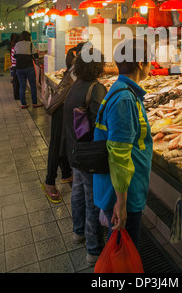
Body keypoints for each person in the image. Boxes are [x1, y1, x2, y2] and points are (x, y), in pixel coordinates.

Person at [93, 37, 153, 251]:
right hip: (122, 191)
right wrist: (122, 202)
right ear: (140, 63)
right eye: (150, 60)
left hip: (123, 188)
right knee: (123, 250)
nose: (151, 65)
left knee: (121, 246)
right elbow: (119, 154)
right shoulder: (125, 99)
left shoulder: (121, 90)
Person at [62, 46, 107, 266]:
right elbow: (101, 122)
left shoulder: (75, 85)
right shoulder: (95, 88)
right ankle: (93, 250)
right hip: (88, 155)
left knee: (78, 193)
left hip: (75, 151)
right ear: (97, 66)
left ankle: (77, 232)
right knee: (92, 201)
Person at [41, 44, 86, 204]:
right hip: (62, 109)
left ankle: (66, 173)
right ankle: (49, 182)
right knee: (56, 144)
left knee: (63, 141)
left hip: (66, 108)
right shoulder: (78, 68)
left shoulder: (76, 66)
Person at [14, 31, 43, 109]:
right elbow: (35, 55)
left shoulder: (17, 44)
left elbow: (15, 56)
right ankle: (34, 103)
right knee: (33, 86)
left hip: (19, 68)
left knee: (22, 86)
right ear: (28, 37)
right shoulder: (30, 44)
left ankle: (23, 104)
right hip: (29, 68)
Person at [10, 33, 20, 99]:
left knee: (15, 82)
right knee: (16, 82)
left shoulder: (13, 45)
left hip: (13, 65)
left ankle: (16, 95)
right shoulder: (16, 46)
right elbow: (15, 57)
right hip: (16, 66)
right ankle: (16, 96)